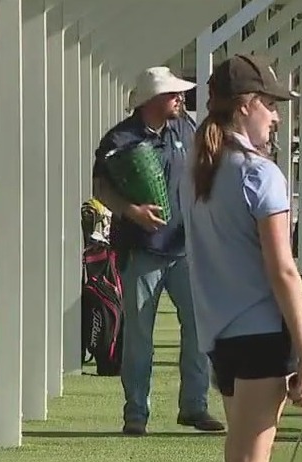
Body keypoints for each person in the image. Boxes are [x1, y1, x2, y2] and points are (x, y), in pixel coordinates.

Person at [181, 53, 302, 462]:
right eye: (270, 106)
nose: (277, 117)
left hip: (222, 337)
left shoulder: (197, 166)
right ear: (245, 107)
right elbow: (283, 270)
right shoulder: (260, 173)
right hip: (260, 333)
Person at [92, 66, 222, 436]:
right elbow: (100, 187)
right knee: (139, 337)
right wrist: (131, 211)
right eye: (173, 94)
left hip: (185, 250)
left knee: (198, 328)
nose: (181, 98)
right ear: (152, 99)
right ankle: (136, 413)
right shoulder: (120, 137)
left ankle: (195, 406)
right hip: (142, 251)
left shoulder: (185, 128)